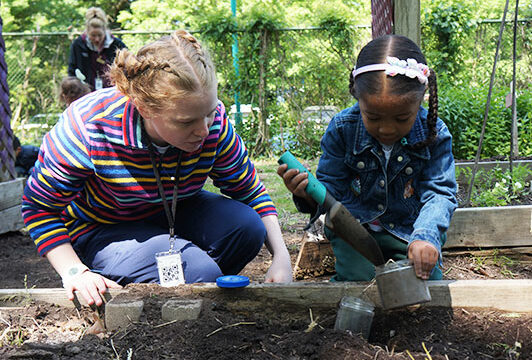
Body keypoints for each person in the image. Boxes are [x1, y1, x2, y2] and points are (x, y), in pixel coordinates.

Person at [22, 30, 293, 307]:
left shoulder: (212, 124)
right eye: (186, 121)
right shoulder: (89, 127)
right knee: (199, 274)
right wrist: (74, 271)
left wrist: (282, 256)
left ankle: (184, 290)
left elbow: (250, 191)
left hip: (174, 209)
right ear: (144, 107)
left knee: (247, 228)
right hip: (102, 226)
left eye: (210, 112)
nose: (204, 129)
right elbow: (39, 207)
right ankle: (176, 288)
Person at [278, 35, 457, 282]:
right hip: (354, 231)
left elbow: (439, 194)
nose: (386, 129)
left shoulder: (434, 133)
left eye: (402, 118)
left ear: (421, 99)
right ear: (357, 96)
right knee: (359, 285)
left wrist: (426, 237)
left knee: (425, 286)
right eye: (373, 117)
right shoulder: (343, 129)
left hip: (411, 231)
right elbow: (331, 192)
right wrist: (305, 193)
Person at [67, 7, 126, 90]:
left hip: (112, 90)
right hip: (86, 90)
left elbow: (126, 65)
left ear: (105, 31)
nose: (97, 39)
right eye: (93, 35)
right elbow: (72, 70)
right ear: (87, 32)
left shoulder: (116, 44)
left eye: (100, 35)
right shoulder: (78, 45)